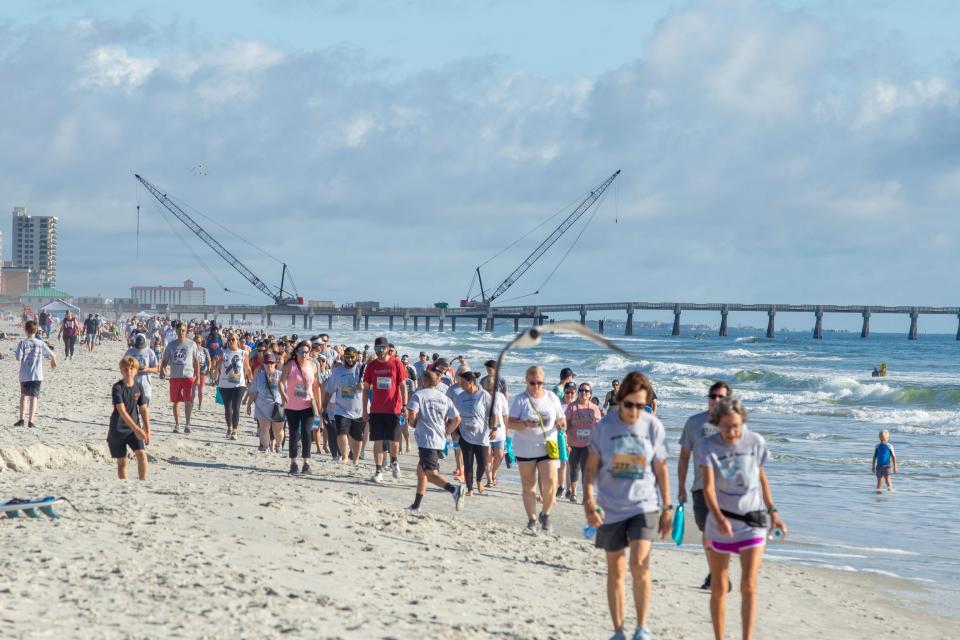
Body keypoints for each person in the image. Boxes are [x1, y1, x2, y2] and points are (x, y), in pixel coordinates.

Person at [583, 371, 672, 640]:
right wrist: (588, 500)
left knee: (639, 563)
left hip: (644, 504)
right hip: (610, 506)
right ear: (620, 400)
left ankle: (642, 628)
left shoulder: (652, 426)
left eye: (641, 405)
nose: (635, 411)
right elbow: (590, 470)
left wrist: (668, 507)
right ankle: (619, 630)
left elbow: (661, 469)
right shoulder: (604, 427)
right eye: (629, 404)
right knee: (616, 568)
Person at [697, 397, 786, 640]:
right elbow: (709, 488)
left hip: (752, 522)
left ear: (743, 421)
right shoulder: (708, 445)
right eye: (726, 426)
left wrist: (773, 512)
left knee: (748, 585)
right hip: (720, 521)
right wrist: (717, 517)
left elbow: (762, 479)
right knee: (719, 586)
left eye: (736, 425)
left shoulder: (755, 442)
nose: (732, 431)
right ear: (717, 423)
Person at [677, 381, 731, 590]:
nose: (716, 400)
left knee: (722, 532)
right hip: (700, 488)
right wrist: (681, 487)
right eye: (713, 395)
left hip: (728, 491)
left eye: (721, 397)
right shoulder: (694, 423)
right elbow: (683, 457)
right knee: (707, 533)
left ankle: (718, 574)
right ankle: (716, 571)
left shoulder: (734, 424)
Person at [508, 365, 566, 532]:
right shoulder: (521, 400)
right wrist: (525, 423)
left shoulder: (552, 397)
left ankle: (546, 514)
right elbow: (509, 423)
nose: (536, 386)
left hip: (548, 446)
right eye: (533, 383)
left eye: (540, 382)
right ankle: (532, 520)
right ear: (527, 381)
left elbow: (562, 418)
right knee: (529, 484)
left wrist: (561, 423)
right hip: (525, 448)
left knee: (550, 482)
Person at [407, 370, 464, 511]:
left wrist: (412, 423)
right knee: (421, 473)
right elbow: (457, 418)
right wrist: (446, 432)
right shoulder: (444, 398)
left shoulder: (419, 395)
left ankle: (454, 490)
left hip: (427, 440)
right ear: (437, 382)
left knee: (430, 474)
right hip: (439, 439)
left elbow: (412, 414)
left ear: (424, 381)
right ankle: (416, 505)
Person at [361, 336, 408, 483]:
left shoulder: (396, 364)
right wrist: (364, 409)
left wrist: (405, 406)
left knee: (394, 441)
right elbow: (366, 389)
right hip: (376, 409)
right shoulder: (371, 366)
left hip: (394, 409)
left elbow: (403, 386)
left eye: (382, 348)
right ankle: (378, 470)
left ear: (388, 348)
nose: (380, 351)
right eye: (377, 348)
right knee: (378, 441)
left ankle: (394, 462)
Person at [280, 340, 321, 475]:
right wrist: (283, 394)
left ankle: (306, 463)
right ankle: (293, 463)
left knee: (306, 433)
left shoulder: (313, 366)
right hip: (291, 405)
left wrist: (319, 405)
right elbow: (281, 382)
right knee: (293, 434)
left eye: (306, 352)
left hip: (308, 404)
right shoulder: (289, 365)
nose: (304, 354)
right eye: (301, 352)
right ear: (296, 352)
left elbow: (315, 387)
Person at [108, 356, 151, 480]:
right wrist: (137, 429)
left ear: (136, 370)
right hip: (118, 429)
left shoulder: (138, 387)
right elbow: (121, 411)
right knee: (122, 462)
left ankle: (143, 482)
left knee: (142, 455)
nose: (129, 371)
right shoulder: (117, 388)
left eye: (131, 368)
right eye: (125, 369)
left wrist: (147, 429)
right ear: (121, 370)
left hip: (134, 429)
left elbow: (143, 409)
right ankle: (124, 487)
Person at [452, 371, 494, 496]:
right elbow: (455, 415)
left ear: (471, 382)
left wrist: (495, 428)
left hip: (481, 435)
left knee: (483, 462)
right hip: (464, 434)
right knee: (468, 462)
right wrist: (454, 431)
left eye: (463, 383)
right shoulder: (460, 397)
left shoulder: (484, 395)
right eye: (460, 382)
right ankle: (470, 489)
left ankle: (479, 480)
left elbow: (494, 413)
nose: (461, 385)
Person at [323, 346, 365, 464]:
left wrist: (365, 386)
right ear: (343, 357)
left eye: (352, 357)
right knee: (341, 432)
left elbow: (371, 385)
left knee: (357, 437)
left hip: (359, 410)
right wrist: (324, 405)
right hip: (341, 409)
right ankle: (345, 456)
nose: (350, 360)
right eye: (347, 357)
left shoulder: (362, 368)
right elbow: (329, 390)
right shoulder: (338, 371)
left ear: (356, 356)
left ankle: (356, 460)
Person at [14, 320, 57, 428]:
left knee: (24, 397)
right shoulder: (40, 343)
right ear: (36, 330)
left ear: (25, 330)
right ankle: (31, 421)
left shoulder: (22, 343)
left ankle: (21, 419)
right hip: (37, 374)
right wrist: (53, 361)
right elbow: (52, 354)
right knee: (34, 397)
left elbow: (18, 358)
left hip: (25, 374)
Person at [565, 380, 602, 502]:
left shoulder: (594, 408)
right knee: (574, 468)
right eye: (581, 390)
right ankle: (574, 493)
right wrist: (566, 440)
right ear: (578, 393)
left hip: (589, 444)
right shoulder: (572, 407)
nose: (583, 393)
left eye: (586, 391)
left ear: (590, 394)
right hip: (574, 443)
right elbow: (566, 424)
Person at [160, 322, 199, 434]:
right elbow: (165, 359)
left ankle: (187, 424)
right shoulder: (171, 345)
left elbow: (196, 361)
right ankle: (177, 424)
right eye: (178, 331)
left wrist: (198, 376)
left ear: (186, 331)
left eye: (182, 330)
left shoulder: (192, 344)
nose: (180, 332)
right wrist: (162, 370)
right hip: (175, 376)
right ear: (175, 332)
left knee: (188, 400)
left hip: (188, 376)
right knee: (176, 401)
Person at [213, 333, 252, 440]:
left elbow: (247, 368)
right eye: (229, 340)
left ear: (237, 340)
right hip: (224, 384)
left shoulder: (243, 353)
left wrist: (251, 379)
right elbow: (216, 368)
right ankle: (229, 428)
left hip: (239, 384)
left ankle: (235, 430)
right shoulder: (223, 353)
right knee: (228, 408)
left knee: (236, 406)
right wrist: (216, 363)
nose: (230, 341)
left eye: (233, 339)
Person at [245, 352, 285, 452]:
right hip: (262, 406)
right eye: (267, 363)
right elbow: (253, 392)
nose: (269, 365)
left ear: (275, 363)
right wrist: (249, 404)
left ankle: (278, 445)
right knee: (263, 428)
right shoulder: (259, 377)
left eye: (271, 362)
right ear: (264, 364)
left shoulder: (281, 376)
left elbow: (288, 392)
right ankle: (265, 447)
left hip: (278, 407)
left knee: (278, 430)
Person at [482, 377, 509, 487]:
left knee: (499, 455)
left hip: (500, 431)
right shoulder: (481, 395)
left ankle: (494, 473)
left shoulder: (501, 396)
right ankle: (489, 479)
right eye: (487, 384)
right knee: (487, 456)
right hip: (485, 430)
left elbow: (505, 414)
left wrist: (507, 429)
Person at [124, 334, 159, 409]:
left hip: (145, 383)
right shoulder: (130, 352)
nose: (139, 348)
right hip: (132, 382)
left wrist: (147, 369)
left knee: (145, 407)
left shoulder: (150, 352)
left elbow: (156, 368)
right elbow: (123, 366)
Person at [556, 381, 576, 498]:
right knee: (563, 462)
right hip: (561, 436)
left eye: (572, 393)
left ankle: (569, 489)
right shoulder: (560, 405)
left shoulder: (577, 405)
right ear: (564, 392)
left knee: (571, 464)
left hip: (574, 437)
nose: (569, 395)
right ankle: (561, 485)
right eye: (567, 392)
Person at [193, 334, 211, 410]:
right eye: (196, 342)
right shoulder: (191, 349)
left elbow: (209, 361)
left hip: (202, 371)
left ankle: (200, 404)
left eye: (199, 342)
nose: (197, 344)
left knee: (201, 390)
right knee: (193, 389)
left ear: (201, 342)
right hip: (193, 371)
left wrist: (208, 369)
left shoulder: (204, 350)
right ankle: (192, 402)